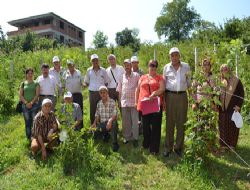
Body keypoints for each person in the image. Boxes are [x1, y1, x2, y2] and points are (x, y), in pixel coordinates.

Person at [163, 47, 191, 157]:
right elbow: (164, 85)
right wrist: (164, 101)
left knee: (181, 122)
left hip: (182, 96)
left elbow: (189, 83)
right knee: (169, 122)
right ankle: (168, 147)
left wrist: (193, 98)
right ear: (170, 57)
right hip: (170, 96)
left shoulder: (186, 67)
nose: (174, 57)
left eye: (176, 55)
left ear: (179, 56)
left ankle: (178, 147)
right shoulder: (166, 67)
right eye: (172, 55)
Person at [135, 60, 165, 154]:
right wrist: (136, 102)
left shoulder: (159, 77)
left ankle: (154, 148)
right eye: (150, 65)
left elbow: (162, 89)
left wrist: (154, 94)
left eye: (154, 65)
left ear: (156, 67)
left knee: (156, 127)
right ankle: (146, 143)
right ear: (148, 66)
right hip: (144, 105)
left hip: (155, 105)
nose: (152, 67)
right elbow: (137, 89)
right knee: (145, 126)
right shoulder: (142, 77)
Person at [218, 64, 244, 151]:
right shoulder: (220, 81)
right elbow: (216, 94)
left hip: (233, 108)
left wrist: (238, 106)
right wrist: (215, 104)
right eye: (222, 69)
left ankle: (232, 145)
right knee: (223, 126)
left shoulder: (236, 80)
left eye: (226, 69)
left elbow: (241, 93)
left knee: (233, 126)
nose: (225, 71)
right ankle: (223, 145)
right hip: (222, 109)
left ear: (229, 70)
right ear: (221, 71)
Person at [117, 59, 140, 147]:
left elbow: (139, 89)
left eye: (128, 65)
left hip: (134, 102)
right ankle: (127, 137)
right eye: (125, 65)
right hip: (124, 102)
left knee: (134, 121)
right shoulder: (121, 76)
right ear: (124, 67)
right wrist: (119, 102)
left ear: (131, 66)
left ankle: (135, 138)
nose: (127, 67)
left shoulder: (137, 75)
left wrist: (138, 101)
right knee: (126, 122)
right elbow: (119, 90)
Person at [91, 86, 119, 152]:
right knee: (95, 131)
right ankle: (105, 135)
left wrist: (110, 120)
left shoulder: (112, 101)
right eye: (101, 93)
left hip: (111, 122)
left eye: (104, 92)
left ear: (107, 93)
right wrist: (94, 123)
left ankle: (115, 143)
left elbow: (115, 114)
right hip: (103, 124)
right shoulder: (99, 103)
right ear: (99, 94)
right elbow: (97, 115)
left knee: (114, 123)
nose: (103, 94)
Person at [84, 54, 110, 124]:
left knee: (102, 108)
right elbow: (86, 81)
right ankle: (93, 126)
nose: (95, 62)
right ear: (91, 61)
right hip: (92, 92)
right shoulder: (88, 70)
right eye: (93, 60)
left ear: (98, 61)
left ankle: (102, 125)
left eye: (96, 60)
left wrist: (104, 91)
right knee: (93, 109)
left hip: (101, 93)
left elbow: (107, 82)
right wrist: (83, 85)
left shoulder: (103, 70)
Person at [19, 68, 40, 140]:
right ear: (26, 74)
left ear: (33, 74)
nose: (30, 75)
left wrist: (31, 103)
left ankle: (34, 136)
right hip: (25, 106)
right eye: (28, 73)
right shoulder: (23, 83)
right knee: (27, 121)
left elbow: (37, 95)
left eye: (31, 73)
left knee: (34, 121)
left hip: (34, 105)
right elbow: (20, 95)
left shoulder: (36, 83)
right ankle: (28, 137)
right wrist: (26, 103)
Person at [131, 55, 144, 134]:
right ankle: (134, 128)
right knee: (133, 112)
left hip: (139, 94)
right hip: (131, 94)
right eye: (133, 62)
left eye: (135, 62)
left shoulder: (141, 72)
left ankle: (140, 128)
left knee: (140, 111)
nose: (134, 64)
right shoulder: (129, 71)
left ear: (138, 63)